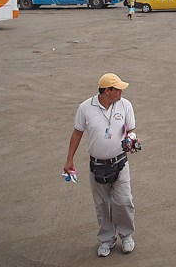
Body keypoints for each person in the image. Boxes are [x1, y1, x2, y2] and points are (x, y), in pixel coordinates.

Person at [64, 73, 137, 257]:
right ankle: (107, 239)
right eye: (118, 89)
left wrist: (131, 139)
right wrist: (69, 159)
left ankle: (126, 236)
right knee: (102, 205)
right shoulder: (85, 108)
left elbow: (131, 129)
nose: (122, 91)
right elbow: (77, 133)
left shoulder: (125, 105)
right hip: (97, 166)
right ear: (107, 91)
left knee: (124, 202)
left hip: (120, 162)